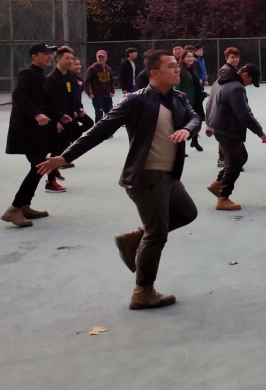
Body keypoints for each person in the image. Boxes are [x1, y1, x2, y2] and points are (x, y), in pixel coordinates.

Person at [36, 50, 200, 309]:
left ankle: (134, 238)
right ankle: (142, 291)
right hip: (146, 176)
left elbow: (194, 118)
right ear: (154, 73)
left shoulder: (178, 98)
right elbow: (99, 130)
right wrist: (65, 157)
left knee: (187, 213)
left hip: (169, 174)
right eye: (171, 66)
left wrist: (187, 130)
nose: (177, 68)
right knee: (157, 233)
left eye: (176, 65)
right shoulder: (136, 100)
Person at [2, 43, 59, 227]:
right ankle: (15, 208)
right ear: (34, 56)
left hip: (37, 132)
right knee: (39, 166)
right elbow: (18, 96)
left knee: (39, 167)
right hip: (27, 132)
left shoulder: (40, 75)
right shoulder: (27, 75)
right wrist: (36, 114)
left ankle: (25, 206)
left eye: (50, 53)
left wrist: (60, 117)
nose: (49, 56)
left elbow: (47, 103)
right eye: (45, 53)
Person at [205, 62, 266, 211]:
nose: (249, 85)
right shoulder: (236, 88)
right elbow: (244, 114)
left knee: (241, 157)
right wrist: (260, 132)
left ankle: (218, 184)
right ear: (245, 75)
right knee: (234, 164)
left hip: (220, 126)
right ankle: (223, 197)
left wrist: (209, 124)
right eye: (250, 81)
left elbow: (210, 103)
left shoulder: (220, 80)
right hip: (228, 129)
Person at [45, 46, 82, 191]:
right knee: (56, 149)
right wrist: (56, 120)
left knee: (69, 143)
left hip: (68, 118)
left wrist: (77, 109)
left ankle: (55, 168)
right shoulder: (51, 79)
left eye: (72, 58)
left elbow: (72, 95)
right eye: (67, 58)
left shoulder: (69, 76)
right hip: (58, 120)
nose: (70, 61)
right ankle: (50, 182)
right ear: (58, 59)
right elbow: (48, 103)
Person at [84, 50, 115, 123]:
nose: (101, 59)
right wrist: (89, 93)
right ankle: (98, 129)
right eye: (99, 57)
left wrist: (112, 91)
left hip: (107, 95)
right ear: (96, 58)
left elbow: (111, 81)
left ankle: (108, 128)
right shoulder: (92, 69)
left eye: (103, 57)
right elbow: (86, 82)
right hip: (97, 96)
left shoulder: (109, 69)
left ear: (106, 58)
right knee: (99, 114)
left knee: (110, 114)